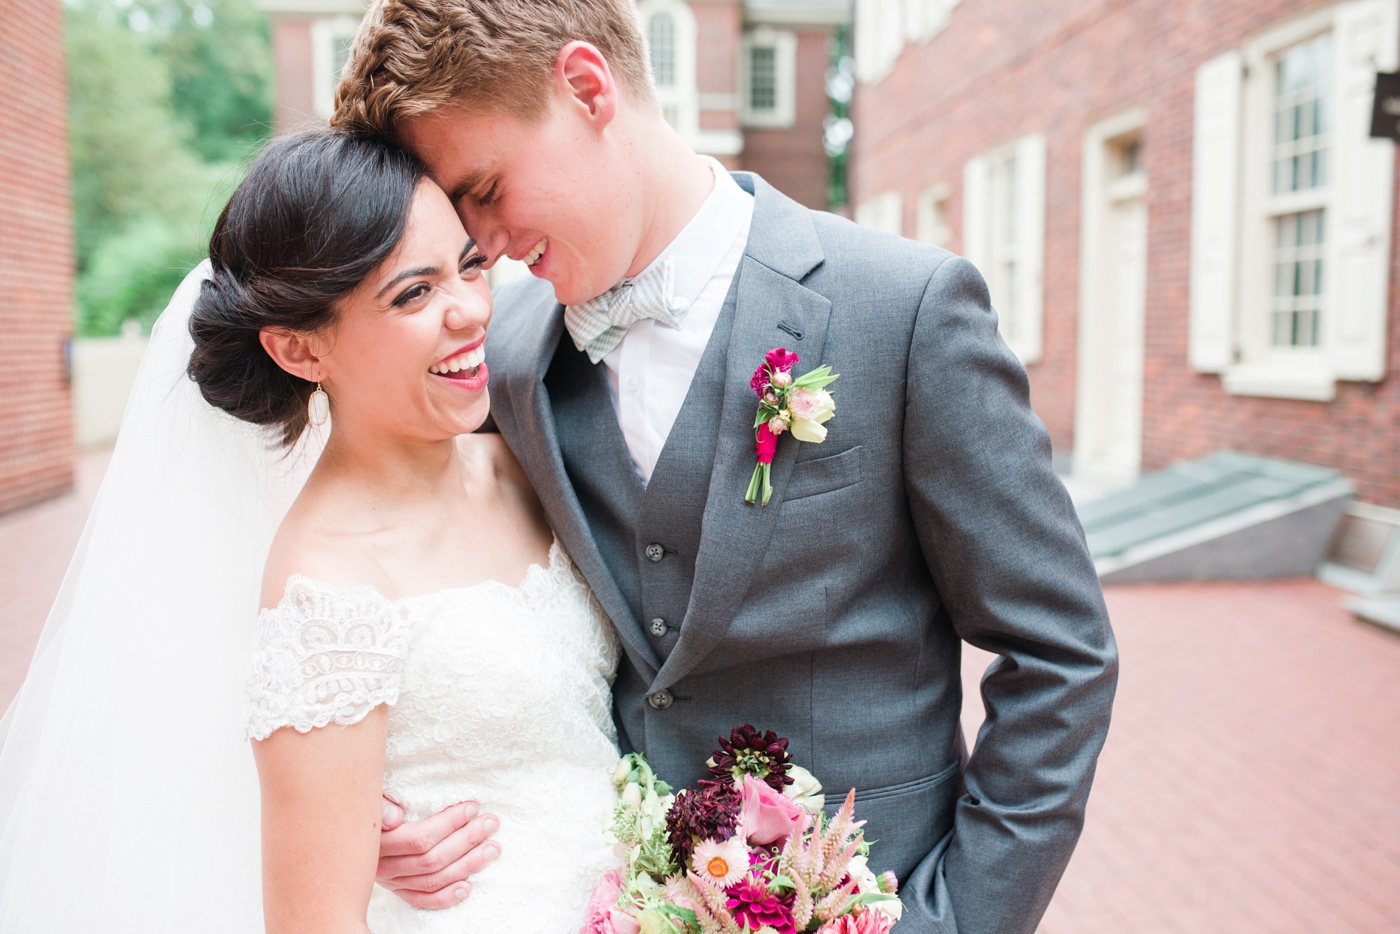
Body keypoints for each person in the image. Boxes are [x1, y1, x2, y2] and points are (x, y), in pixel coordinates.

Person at [330, 1, 1120, 932]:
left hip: (879, 893)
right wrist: (367, 813)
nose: (485, 244)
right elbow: (391, 567)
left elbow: (1059, 654)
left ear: (588, 89)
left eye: (488, 187)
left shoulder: (904, 310)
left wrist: (956, 921)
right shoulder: (504, 357)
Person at [0, 130, 620, 932]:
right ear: (299, 348)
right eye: (412, 294)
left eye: (470, 265)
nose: (470, 311)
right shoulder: (325, 589)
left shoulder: (525, 457)